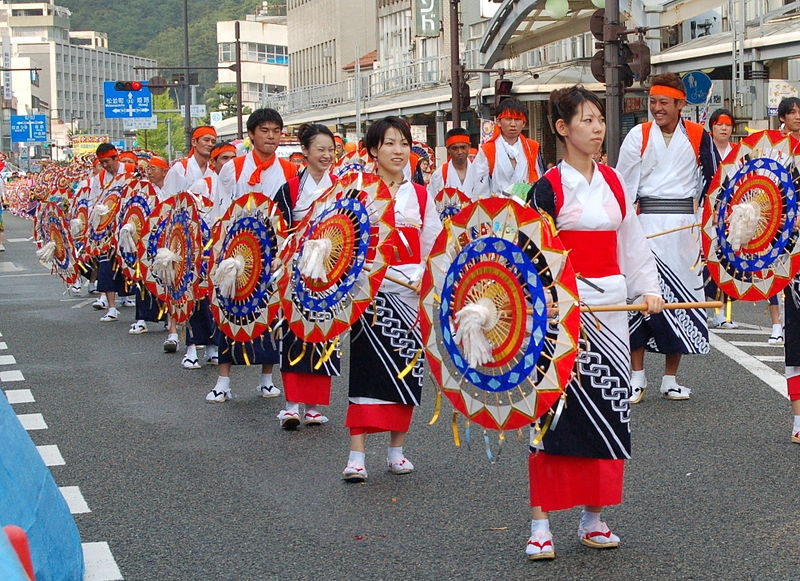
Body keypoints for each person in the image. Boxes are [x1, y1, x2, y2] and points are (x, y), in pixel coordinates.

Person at [524, 85, 664, 560]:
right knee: (552, 412)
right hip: (561, 315)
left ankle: (594, 516)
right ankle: (540, 522)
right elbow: (531, 256)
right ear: (562, 129)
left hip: (612, 311)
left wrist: (649, 290)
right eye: (585, 119)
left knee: (607, 410)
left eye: (599, 118)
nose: (597, 126)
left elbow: (633, 239)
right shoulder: (546, 188)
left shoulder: (614, 181)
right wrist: (553, 304)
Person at [341, 116, 442, 482]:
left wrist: (431, 281)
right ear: (373, 150)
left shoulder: (420, 194)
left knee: (406, 371)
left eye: (403, 143)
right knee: (366, 371)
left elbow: (433, 244)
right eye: (389, 143)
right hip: (371, 294)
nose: (399, 151)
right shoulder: (357, 192)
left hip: (411, 294)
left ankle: (397, 449)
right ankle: (357, 454)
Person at [616, 73, 716, 403]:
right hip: (645, 227)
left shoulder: (700, 136)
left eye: (664, 103)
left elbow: (714, 180)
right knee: (640, 300)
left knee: (682, 302)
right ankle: (636, 377)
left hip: (685, 229)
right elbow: (623, 187)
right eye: (653, 102)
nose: (657, 109)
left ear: (680, 105)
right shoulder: (638, 135)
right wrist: (622, 228)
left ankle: (670, 378)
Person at [205, 108, 298, 403]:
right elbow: (222, 210)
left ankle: (266, 378)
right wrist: (221, 250)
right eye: (264, 130)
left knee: (271, 312)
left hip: (272, 251)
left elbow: (290, 215)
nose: (271, 136)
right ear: (251, 134)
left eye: (275, 131)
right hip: (238, 249)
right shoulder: (233, 168)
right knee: (231, 309)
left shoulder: (290, 170)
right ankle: (223, 380)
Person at [273, 123, 340, 429]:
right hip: (296, 268)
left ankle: (313, 405)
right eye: (320, 149)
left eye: (331, 149)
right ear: (305, 152)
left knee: (324, 332)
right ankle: (291, 404)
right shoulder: (289, 189)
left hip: (330, 269)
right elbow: (277, 226)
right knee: (294, 331)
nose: (327, 155)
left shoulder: (341, 186)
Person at [160, 126, 218, 354]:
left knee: (202, 287)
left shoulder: (214, 174)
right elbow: (168, 201)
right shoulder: (180, 169)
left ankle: (205, 338)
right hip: (181, 231)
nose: (209, 143)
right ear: (194, 142)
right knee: (178, 283)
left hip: (207, 237)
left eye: (213, 140)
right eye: (205, 139)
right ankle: (174, 331)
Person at [89, 143, 135, 322]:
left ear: (116, 157)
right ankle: (111, 307)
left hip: (130, 226)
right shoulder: (99, 179)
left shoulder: (131, 170)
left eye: (107, 161)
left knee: (132, 265)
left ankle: (132, 302)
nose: (105, 165)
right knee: (106, 265)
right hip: (107, 229)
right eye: (101, 162)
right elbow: (94, 202)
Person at [469, 97, 545, 199]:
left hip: (525, 209)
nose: (513, 124)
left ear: (524, 123)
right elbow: (480, 190)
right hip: (496, 209)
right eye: (508, 119)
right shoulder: (488, 150)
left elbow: (539, 182)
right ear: (499, 122)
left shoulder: (532, 148)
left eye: (518, 119)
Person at [128, 155, 170, 336]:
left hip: (167, 238)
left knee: (168, 278)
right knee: (143, 278)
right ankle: (141, 319)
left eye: (154, 168)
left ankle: (169, 318)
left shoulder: (171, 188)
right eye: (148, 168)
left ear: (164, 171)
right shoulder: (143, 189)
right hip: (147, 239)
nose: (149, 172)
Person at [705, 108, 739, 330]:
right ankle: (710, 308)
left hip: (732, 213)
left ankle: (724, 311)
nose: (724, 128)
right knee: (708, 260)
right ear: (712, 127)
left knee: (729, 260)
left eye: (727, 124)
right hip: (707, 211)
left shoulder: (738, 151)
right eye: (719, 124)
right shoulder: (705, 151)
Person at [426, 127, 474, 197]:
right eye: (455, 148)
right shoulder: (439, 175)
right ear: (448, 149)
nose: (460, 152)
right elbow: (431, 203)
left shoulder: (479, 172)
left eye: (463, 147)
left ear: (469, 146)